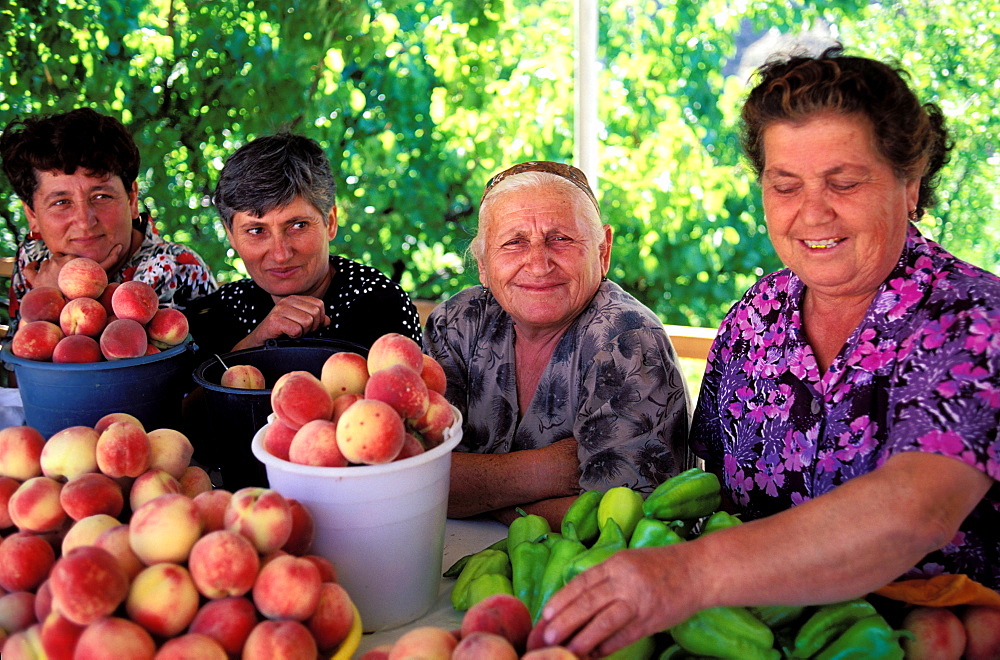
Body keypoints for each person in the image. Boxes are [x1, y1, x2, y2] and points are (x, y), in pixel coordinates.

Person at [538, 47, 1000, 659]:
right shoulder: (755, 321)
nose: (812, 211)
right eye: (785, 185)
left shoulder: (972, 319)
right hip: (758, 637)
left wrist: (687, 575)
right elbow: (714, 496)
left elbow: (913, 511)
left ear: (909, 184)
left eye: (845, 182)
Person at [423, 161, 691, 530]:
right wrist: (536, 472)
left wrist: (482, 497)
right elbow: (410, 475)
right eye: (514, 242)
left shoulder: (627, 341)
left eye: (561, 239)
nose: (538, 263)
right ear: (483, 264)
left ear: (603, 250)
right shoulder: (457, 322)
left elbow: (620, 517)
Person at [185, 131, 421, 355]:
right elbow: (180, 398)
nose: (281, 254)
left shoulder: (379, 304)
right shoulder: (220, 309)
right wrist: (257, 341)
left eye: (298, 225)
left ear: (330, 223)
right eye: (256, 230)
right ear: (231, 235)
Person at [0, 108, 217, 321]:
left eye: (101, 196)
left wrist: (54, 298)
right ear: (32, 216)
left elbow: (133, 352)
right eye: (61, 202)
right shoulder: (34, 257)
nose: (85, 222)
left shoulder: (176, 268)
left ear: (132, 199)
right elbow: (17, 351)